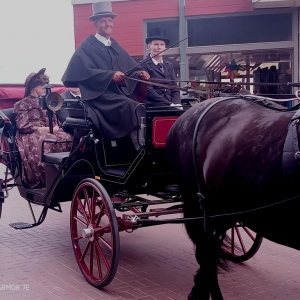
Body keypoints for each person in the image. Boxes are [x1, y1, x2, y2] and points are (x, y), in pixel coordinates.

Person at [61, 1, 149, 148]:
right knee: (132, 106)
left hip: (117, 94)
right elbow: (76, 74)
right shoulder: (87, 46)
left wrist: (140, 73)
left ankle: (140, 147)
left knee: (144, 106)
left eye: (110, 21)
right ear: (95, 24)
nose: (108, 24)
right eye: (103, 21)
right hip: (98, 97)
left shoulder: (114, 44)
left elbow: (131, 68)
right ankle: (139, 150)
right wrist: (109, 76)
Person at [13, 68, 72, 189]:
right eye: (43, 87)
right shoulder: (23, 104)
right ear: (34, 87)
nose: (45, 89)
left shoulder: (48, 101)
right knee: (46, 141)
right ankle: (45, 178)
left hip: (51, 130)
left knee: (68, 137)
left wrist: (56, 126)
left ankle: (65, 174)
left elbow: (55, 118)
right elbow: (22, 126)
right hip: (32, 133)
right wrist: (45, 129)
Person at [140, 28, 181, 108]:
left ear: (165, 47)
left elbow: (174, 88)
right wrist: (169, 104)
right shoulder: (143, 65)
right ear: (149, 46)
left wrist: (177, 103)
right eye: (156, 44)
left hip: (170, 103)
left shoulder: (169, 65)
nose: (159, 47)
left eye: (162, 45)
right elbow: (148, 90)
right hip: (153, 104)